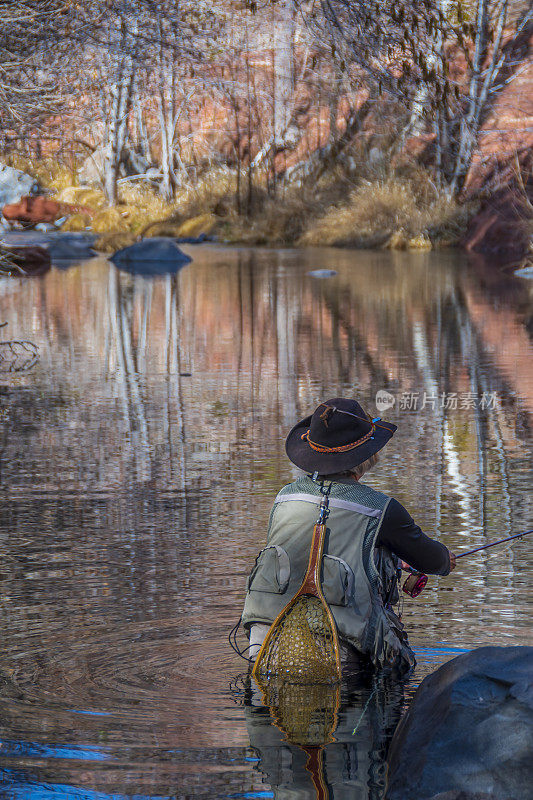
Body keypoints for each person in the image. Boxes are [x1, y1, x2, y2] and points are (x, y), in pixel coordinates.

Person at [241, 397, 456, 674]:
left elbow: (315, 553)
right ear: (367, 454)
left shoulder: (284, 497)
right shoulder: (381, 509)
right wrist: (445, 561)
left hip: (262, 645)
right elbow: (433, 560)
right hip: (337, 653)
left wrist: (390, 560)